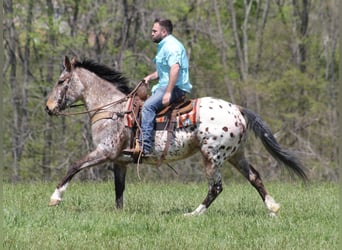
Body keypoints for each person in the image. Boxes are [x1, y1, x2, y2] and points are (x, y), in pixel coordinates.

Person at [126, 18, 192, 156]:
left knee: (148, 107)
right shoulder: (164, 45)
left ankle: (146, 147)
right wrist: (150, 77)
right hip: (165, 86)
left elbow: (175, 69)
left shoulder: (171, 46)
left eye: (154, 31)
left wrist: (168, 92)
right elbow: (165, 70)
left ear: (164, 31)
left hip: (174, 88)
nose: (151, 33)